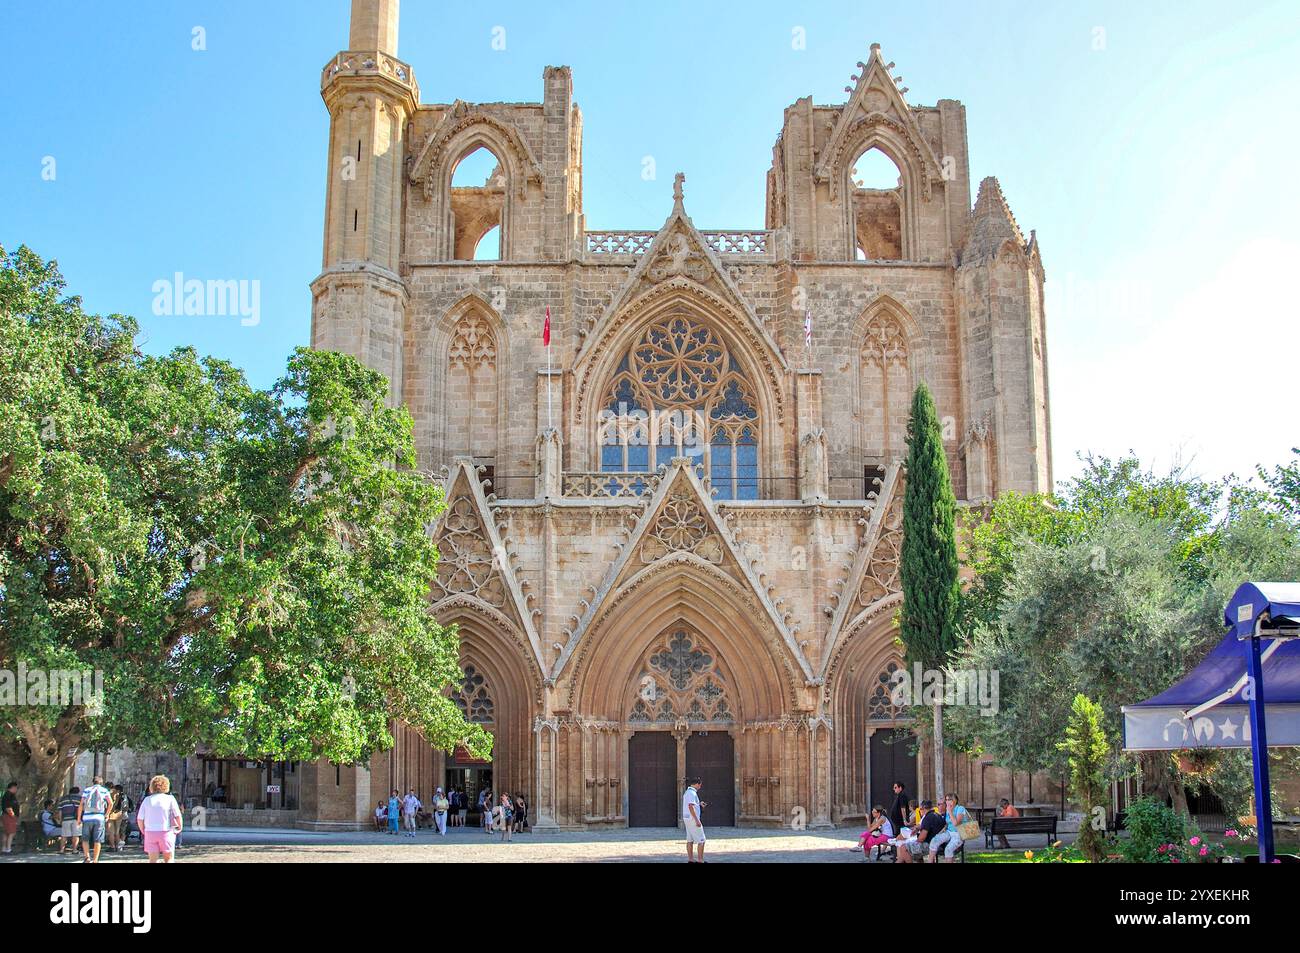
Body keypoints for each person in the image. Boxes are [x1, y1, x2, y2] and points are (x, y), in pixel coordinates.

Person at [136, 775, 183, 863]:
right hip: (166, 831)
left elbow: (140, 818)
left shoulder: (147, 800)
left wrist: (143, 829)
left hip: (150, 832)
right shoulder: (170, 799)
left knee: (152, 860)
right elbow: (177, 815)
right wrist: (180, 827)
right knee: (168, 858)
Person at [896, 799, 945, 864]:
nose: (920, 811)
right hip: (940, 843)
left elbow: (921, 838)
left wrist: (914, 841)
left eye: (921, 809)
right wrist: (917, 829)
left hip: (931, 845)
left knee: (903, 847)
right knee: (911, 849)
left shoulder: (927, 818)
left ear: (924, 808)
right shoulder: (937, 815)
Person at [928, 793, 971, 863]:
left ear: (955, 800)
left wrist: (950, 811)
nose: (947, 801)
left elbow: (956, 823)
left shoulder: (960, 808)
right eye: (946, 800)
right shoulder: (948, 810)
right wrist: (939, 833)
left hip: (959, 834)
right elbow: (947, 824)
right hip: (949, 832)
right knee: (934, 841)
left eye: (950, 799)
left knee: (948, 849)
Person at [78, 775, 112, 864]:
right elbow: (110, 803)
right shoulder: (104, 791)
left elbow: (81, 805)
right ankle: (96, 859)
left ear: (92, 782)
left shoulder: (87, 790)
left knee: (85, 839)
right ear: (101, 783)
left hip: (87, 817)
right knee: (98, 840)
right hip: (99, 817)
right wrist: (106, 814)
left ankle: (87, 857)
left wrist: (79, 818)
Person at [683, 777, 706, 863]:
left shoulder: (688, 792)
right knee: (702, 840)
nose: (700, 787)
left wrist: (699, 804)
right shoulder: (691, 793)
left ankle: (691, 859)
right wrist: (697, 820)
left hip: (687, 818)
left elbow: (692, 805)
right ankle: (700, 860)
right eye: (700, 785)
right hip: (693, 819)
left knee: (690, 840)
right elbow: (690, 806)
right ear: (697, 784)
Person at [57, 786, 82, 855]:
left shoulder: (63, 799)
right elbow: (82, 809)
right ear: (77, 792)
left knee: (64, 835)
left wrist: (61, 820)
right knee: (75, 835)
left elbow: (60, 810)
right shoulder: (80, 798)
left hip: (65, 819)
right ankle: (74, 850)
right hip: (76, 819)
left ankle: (62, 850)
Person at [1, 781, 18, 854]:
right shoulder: (9, 795)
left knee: (6, 833)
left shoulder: (7, 795)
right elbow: (8, 807)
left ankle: (4, 849)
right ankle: (8, 849)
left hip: (6, 816)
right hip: (9, 816)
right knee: (11, 833)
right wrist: (13, 816)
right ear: (13, 787)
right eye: (16, 788)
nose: (16, 789)